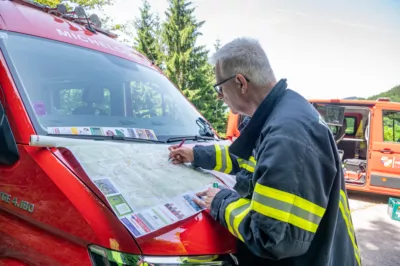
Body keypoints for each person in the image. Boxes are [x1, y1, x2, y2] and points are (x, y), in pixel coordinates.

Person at [168, 37, 360, 265]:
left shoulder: (287, 135)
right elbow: (247, 159)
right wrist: (196, 154)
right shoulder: (279, 115)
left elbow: (270, 237)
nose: (219, 96)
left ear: (240, 82)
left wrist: (219, 200)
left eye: (220, 87)